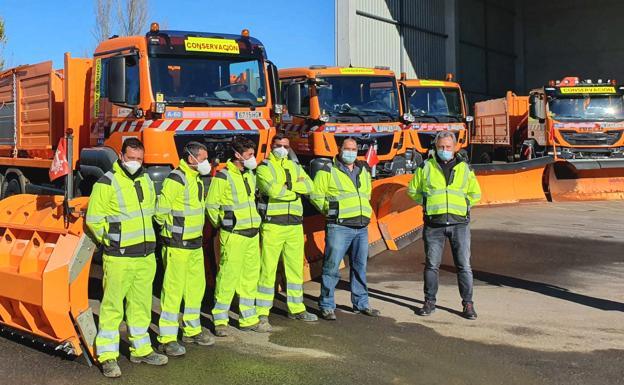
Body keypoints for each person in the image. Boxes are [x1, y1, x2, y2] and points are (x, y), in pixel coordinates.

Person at [85, 138, 168, 378]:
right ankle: (108, 356)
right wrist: (110, 240)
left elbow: (150, 210)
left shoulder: (145, 180)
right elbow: (93, 219)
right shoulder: (106, 183)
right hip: (119, 256)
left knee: (141, 305)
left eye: (139, 159)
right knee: (112, 307)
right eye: (131, 158)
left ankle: (141, 349)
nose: (135, 162)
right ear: (121, 156)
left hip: (145, 255)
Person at [407, 131, 481, 320]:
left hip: (459, 224)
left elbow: (475, 193)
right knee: (432, 265)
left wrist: (464, 207)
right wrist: (427, 204)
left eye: (448, 147)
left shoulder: (465, 168)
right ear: (436, 147)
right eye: (441, 147)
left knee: (464, 265)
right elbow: (413, 190)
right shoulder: (425, 167)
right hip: (434, 224)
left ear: (455, 147)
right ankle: (429, 302)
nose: (444, 150)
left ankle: (468, 304)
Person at [155, 141, 215, 357]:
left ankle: (192, 330)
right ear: (191, 158)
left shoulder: (195, 178)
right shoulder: (176, 178)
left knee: (195, 289)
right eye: (203, 158)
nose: (206, 163)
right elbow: (161, 211)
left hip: (194, 244)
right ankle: (168, 338)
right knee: (172, 292)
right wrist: (170, 233)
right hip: (177, 244)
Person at [206, 136, 270, 336]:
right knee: (228, 277)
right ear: (237, 155)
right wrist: (224, 224)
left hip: (251, 234)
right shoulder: (223, 177)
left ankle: (248, 318)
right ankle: (220, 320)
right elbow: (211, 205)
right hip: (234, 235)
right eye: (249, 154)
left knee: (250, 278)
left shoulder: (249, 175)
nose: (253, 158)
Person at [311, 138, 380, 321]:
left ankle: (361, 304)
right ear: (339, 150)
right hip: (339, 226)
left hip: (361, 226)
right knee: (332, 266)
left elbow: (367, 193)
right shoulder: (327, 170)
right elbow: (316, 195)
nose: (351, 152)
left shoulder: (363, 169)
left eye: (354, 149)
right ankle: (326, 305)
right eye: (347, 149)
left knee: (360, 267)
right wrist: (330, 212)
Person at [255, 135, 318, 327]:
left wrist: (288, 186)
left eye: (285, 146)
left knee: (294, 270)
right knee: (267, 269)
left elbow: (310, 186)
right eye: (278, 146)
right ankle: (262, 311)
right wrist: (295, 191)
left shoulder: (295, 166)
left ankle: (296, 308)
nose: (282, 149)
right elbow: (273, 191)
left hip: (294, 226)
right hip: (273, 225)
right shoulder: (264, 168)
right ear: (271, 147)